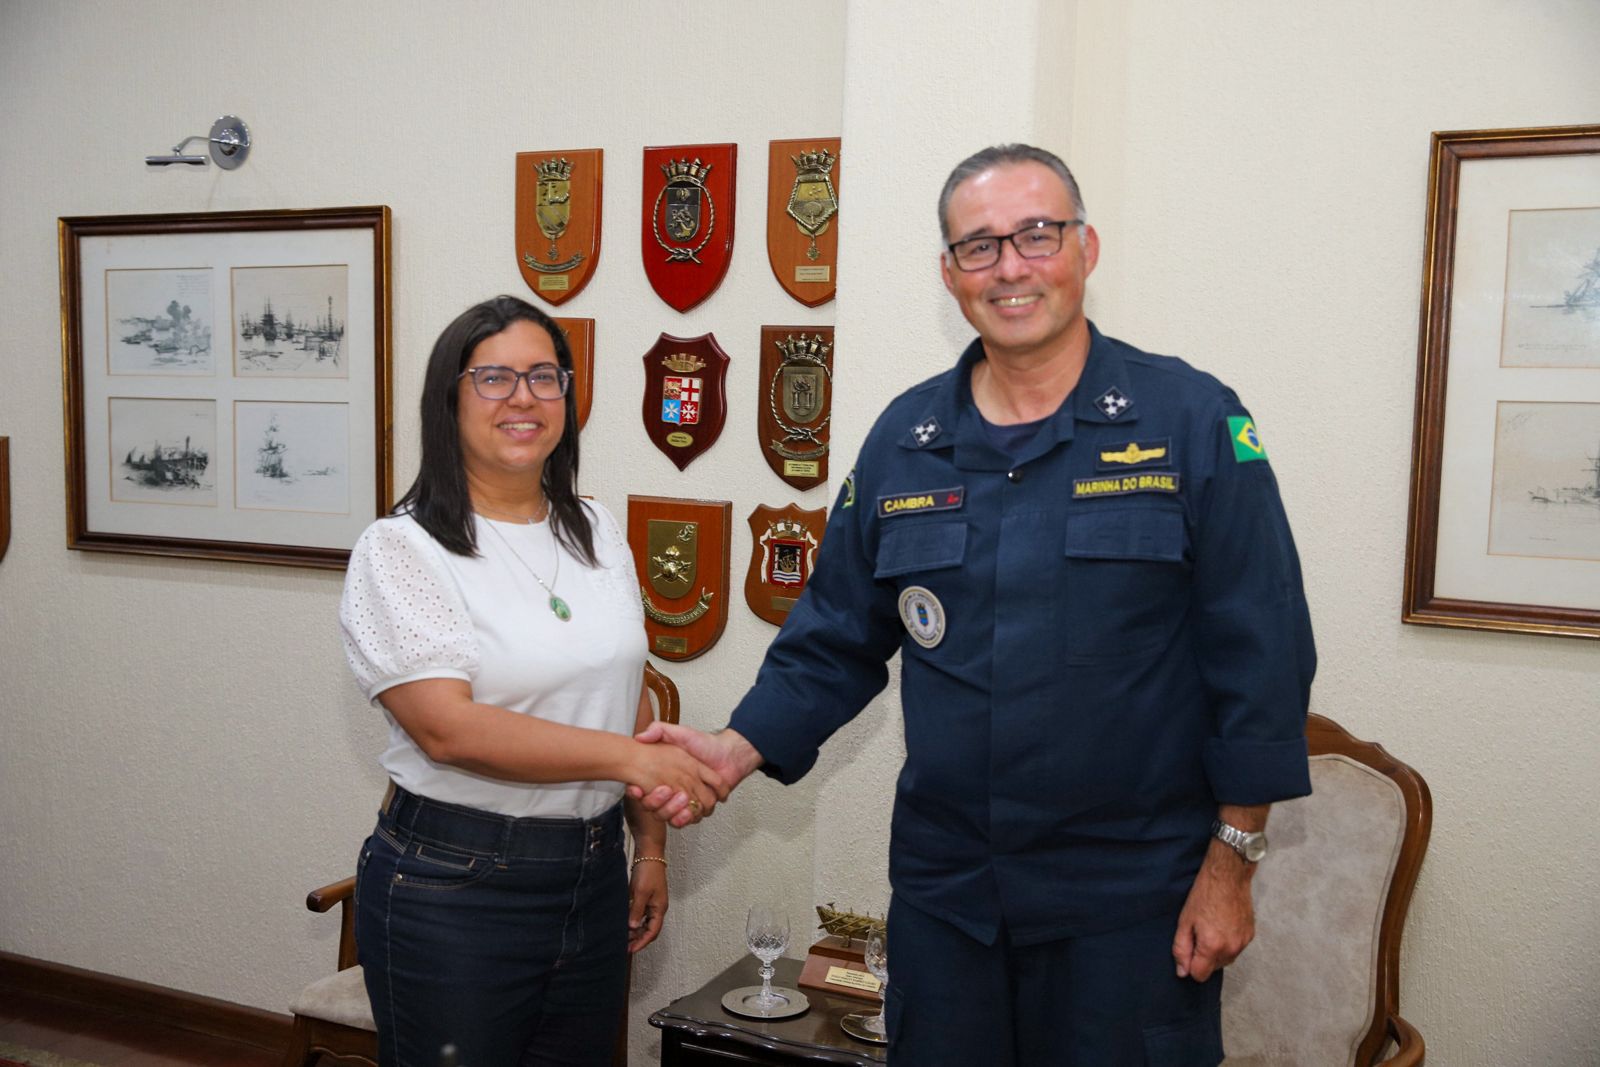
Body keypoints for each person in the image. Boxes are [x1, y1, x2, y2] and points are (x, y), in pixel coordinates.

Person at [637, 145, 1316, 1065]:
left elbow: (1263, 653)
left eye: (1037, 235)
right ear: (950, 272)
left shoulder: (1191, 420)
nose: (1010, 267)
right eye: (980, 246)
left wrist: (1232, 862)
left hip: (1129, 906)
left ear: (1085, 248)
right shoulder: (904, 441)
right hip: (950, 901)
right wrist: (737, 745)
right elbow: (834, 637)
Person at [339, 295, 726, 1067]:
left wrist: (648, 845)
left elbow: (626, 689)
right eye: (494, 378)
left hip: (591, 875)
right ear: (448, 399)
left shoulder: (596, 529)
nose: (523, 397)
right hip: (455, 886)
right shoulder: (403, 548)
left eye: (544, 377)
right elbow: (447, 729)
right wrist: (633, 760)